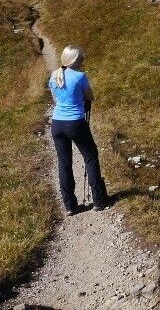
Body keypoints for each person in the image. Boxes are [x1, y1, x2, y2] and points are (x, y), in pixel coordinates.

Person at [48, 45, 109, 214]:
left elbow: (56, 100)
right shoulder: (80, 76)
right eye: (81, 58)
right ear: (74, 60)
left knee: (64, 163)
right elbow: (90, 97)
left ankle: (70, 206)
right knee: (90, 157)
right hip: (75, 122)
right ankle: (99, 200)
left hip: (57, 123)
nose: (83, 61)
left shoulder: (54, 76)